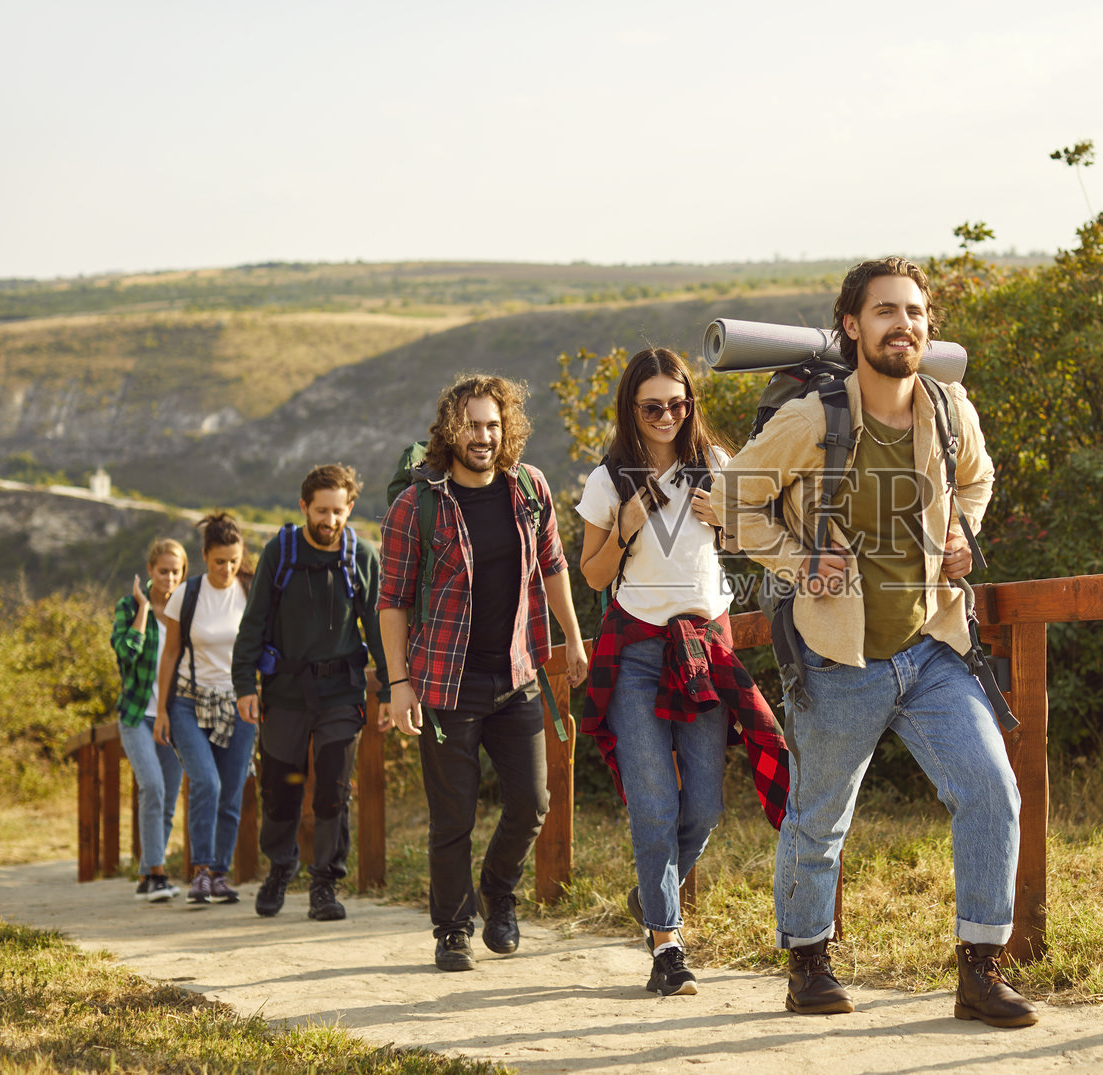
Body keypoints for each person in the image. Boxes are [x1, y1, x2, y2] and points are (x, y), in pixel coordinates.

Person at [716, 257, 1038, 1027]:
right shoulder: (811, 419)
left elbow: (978, 480)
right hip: (836, 656)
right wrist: (798, 562)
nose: (905, 324)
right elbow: (731, 501)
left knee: (992, 787)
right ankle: (809, 962)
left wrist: (962, 533)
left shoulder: (950, 408)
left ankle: (980, 971)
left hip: (932, 645)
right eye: (886, 310)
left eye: (917, 311)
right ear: (852, 326)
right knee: (821, 818)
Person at [576, 348, 789, 997]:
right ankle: (666, 943)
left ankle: (648, 893)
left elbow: (759, 534)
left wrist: (732, 518)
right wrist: (628, 527)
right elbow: (591, 574)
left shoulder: (716, 465)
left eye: (678, 402)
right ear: (630, 410)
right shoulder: (609, 479)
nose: (668, 415)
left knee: (703, 803)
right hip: (636, 650)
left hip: (705, 645)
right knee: (653, 802)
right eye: (653, 406)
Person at [379, 372, 588, 972]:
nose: (483, 436)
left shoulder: (528, 487)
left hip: (518, 675)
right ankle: (451, 929)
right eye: (472, 425)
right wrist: (399, 685)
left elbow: (552, 564)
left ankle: (498, 892)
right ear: (451, 429)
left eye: (493, 425)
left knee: (533, 802)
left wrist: (571, 639)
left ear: (507, 429)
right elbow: (391, 598)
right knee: (453, 818)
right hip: (445, 685)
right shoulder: (415, 505)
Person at [231, 464, 390, 922]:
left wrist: (393, 688)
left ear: (350, 508)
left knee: (334, 790)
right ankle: (281, 867)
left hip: (343, 690)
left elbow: (379, 628)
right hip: (285, 692)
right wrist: (246, 685)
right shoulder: (280, 552)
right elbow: (254, 623)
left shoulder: (361, 557)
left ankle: (325, 883)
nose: (330, 520)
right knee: (280, 789)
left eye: (338, 511)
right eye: (321, 511)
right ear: (304, 507)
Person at [155, 512, 258, 906]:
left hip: (238, 702)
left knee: (231, 790)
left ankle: (219, 874)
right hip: (187, 701)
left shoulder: (249, 590)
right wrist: (162, 711)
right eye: (219, 561)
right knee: (207, 783)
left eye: (234, 560)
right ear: (204, 556)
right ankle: (199, 873)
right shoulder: (188, 594)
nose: (227, 568)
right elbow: (169, 654)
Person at [110, 536, 188, 902]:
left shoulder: (184, 612)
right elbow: (126, 652)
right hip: (138, 715)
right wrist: (143, 608)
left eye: (176, 572)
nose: (169, 578)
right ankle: (157, 874)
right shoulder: (128, 606)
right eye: (163, 571)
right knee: (152, 787)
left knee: (167, 798)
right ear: (150, 571)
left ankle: (148, 876)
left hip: (173, 719)